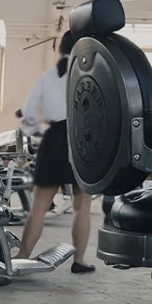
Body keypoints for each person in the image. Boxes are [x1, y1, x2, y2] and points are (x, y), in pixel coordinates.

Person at [14, 31, 94, 273]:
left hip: (55, 138)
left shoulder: (47, 77)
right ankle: (79, 260)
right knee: (82, 204)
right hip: (84, 139)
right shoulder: (93, 76)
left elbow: (28, 115)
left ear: (61, 49)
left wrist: (37, 133)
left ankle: (22, 256)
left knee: (40, 204)